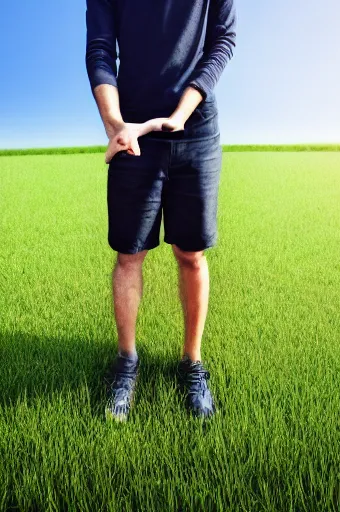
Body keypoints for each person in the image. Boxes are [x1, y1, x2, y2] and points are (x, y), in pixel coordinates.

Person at [85, 0, 236, 422]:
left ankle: (192, 362)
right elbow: (100, 48)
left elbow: (222, 39)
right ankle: (127, 362)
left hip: (198, 130)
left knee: (191, 253)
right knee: (130, 255)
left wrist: (180, 113)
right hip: (131, 132)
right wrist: (115, 123)